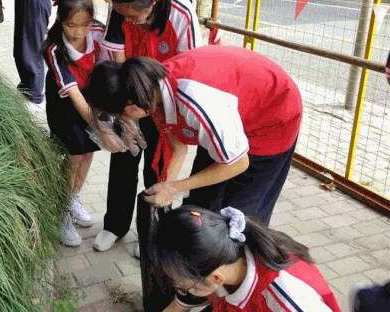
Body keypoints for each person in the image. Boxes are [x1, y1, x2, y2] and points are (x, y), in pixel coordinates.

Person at [84, 46, 302, 227]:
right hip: (229, 116)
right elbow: (178, 146)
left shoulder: (195, 101)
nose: (125, 120)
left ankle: (239, 263)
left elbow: (238, 163)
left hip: (272, 117)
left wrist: (176, 187)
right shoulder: (150, 91)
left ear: (132, 104)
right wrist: (168, 185)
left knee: (240, 216)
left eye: (122, 115)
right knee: (201, 202)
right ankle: (199, 256)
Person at [93, 0, 202, 252]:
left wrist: (160, 108)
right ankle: (115, 225)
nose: (127, 19)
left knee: (159, 166)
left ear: (152, 2)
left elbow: (191, 65)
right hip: (128, 97)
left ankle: (152, 233)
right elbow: (116, 56)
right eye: (122, 13)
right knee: (123, 159)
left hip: (166, 101)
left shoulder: (180, 12)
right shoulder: (120, 7)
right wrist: (124, 113)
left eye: (132, 15)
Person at [41, 0, 125, 247]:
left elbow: (115, 63)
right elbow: (73, 94)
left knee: (88, 151)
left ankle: (73, 198)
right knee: (73, 154)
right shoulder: (54, 49)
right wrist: (101, 128)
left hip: (91, 97)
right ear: (60, 20)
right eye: (71, 25)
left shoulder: (99, 31)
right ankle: (62, 210)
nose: (79, 32)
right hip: (65, 102)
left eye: (85, 24)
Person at [150, 205, 342, 312]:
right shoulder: (222, 254)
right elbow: (180, 305)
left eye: (183, 285)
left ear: (216, 279)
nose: (180, 288)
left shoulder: (285, 299)